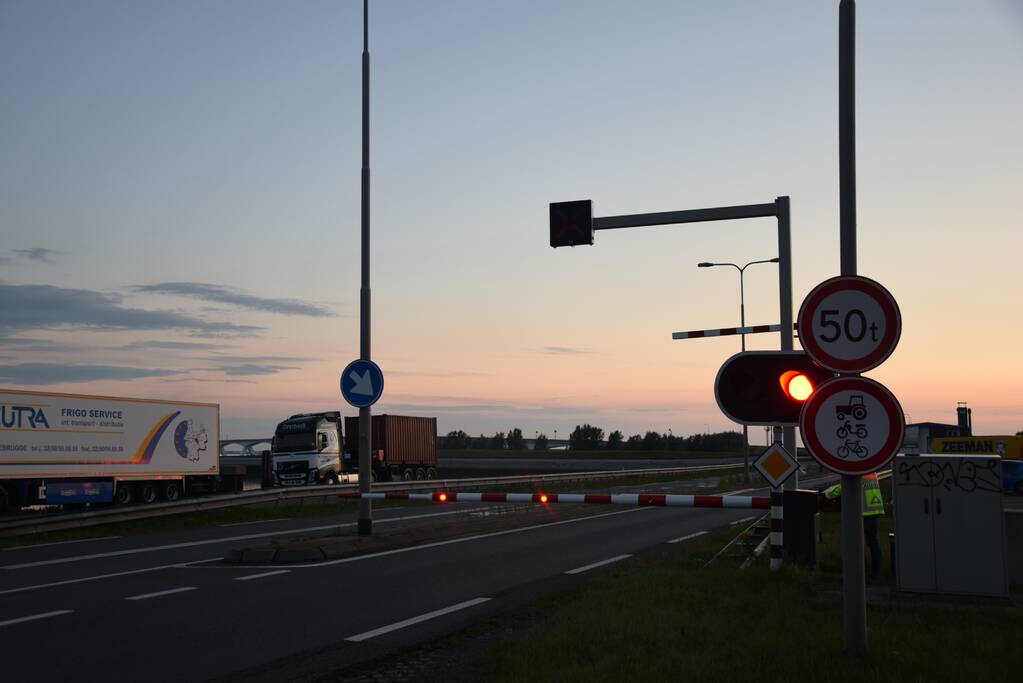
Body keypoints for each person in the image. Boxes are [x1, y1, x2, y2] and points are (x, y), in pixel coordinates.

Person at [824, 473, 885, 577]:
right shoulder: (871, 471)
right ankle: (875, 572)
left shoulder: (858, 471)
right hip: (874, 509)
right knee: (872, 542)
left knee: (857, 542)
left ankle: (861, 571)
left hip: (864, 511)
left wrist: (827, 494)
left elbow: (845, 486)